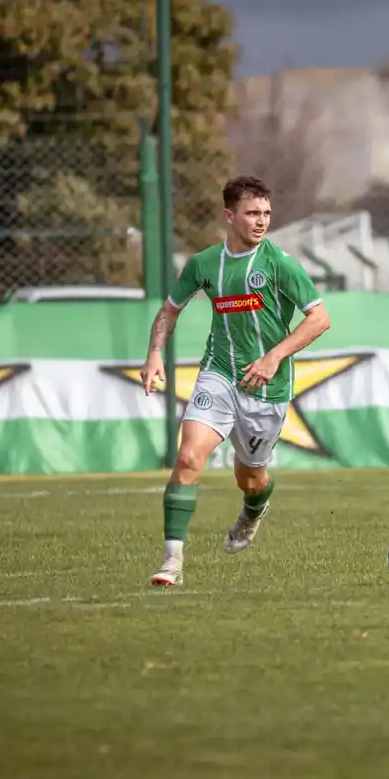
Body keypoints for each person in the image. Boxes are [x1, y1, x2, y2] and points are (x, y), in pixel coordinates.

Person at [139, 175, 331, 588]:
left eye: (265, 213)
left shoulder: (279, 264)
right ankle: (172, 560)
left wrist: (273, 357)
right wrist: (154, 354)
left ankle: (253, 510)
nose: (261, 221)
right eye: (251, 213)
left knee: (250, 478)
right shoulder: (204, 264)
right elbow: (170, 311)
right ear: (230, 215)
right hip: (219, 375)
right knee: (189, 457)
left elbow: (320, 318)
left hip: (267, 388)